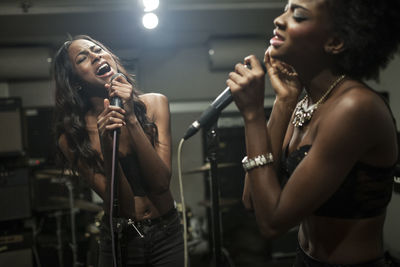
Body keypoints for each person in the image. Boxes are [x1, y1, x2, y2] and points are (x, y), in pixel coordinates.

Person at [226, 0, 400, 266]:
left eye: (298, 15)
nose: (279, 20)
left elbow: (272, 223)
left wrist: (253, 116)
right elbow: (252, 200)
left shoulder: (355, 108)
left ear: (335, 42)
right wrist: (283, 102)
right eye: (285, 8)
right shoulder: (306, 102)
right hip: (304, 258)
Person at [52, 35, 184, 267]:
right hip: (120, 239)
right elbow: (123, 207)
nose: (95, 56)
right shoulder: (72, 138)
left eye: (97, 50)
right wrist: (107, 146)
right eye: (83, 58)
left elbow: (161, 183)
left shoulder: (155, 104)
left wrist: (131, 119)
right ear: (75, 82)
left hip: (166, 233)